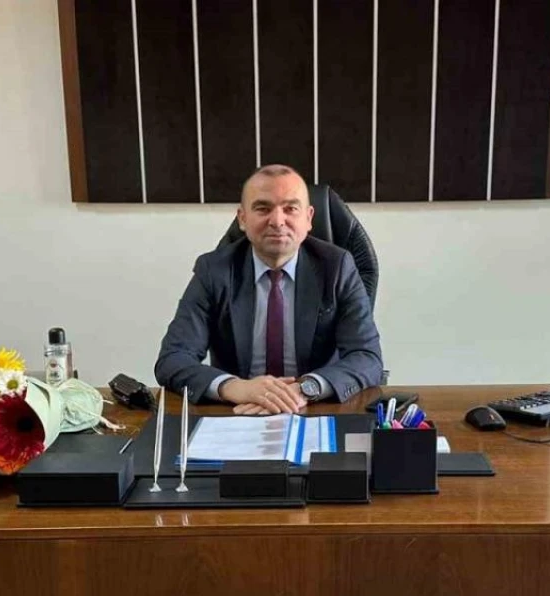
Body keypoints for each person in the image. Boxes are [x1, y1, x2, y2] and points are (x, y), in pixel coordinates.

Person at [155, 165, 384, 415]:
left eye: (290, 209)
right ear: (243, 218)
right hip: (238, 412)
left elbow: (367, 357)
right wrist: (233, 387)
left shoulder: (337, 267)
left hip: (315, 409)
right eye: (263, 208)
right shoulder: (214, 270)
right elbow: (173, 359)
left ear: (308, 218)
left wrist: (306, 388)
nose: (277, 221)